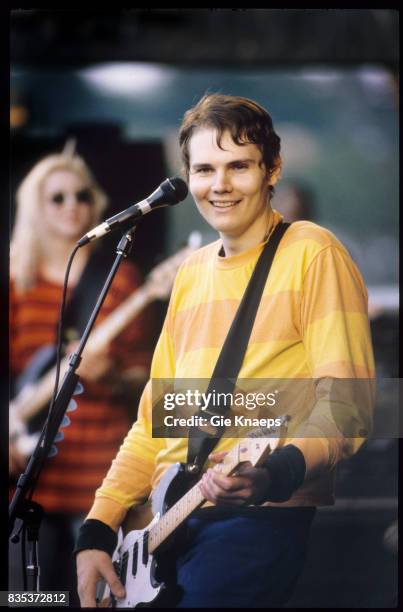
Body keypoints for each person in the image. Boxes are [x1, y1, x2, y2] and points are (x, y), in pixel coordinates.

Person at [75, 94, 375, 608]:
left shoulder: (312, 251)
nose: (220, 185)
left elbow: (348, 404)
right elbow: (156, 419)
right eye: (205, 169)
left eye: (239, 166)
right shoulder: (190, 272)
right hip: (162, 523)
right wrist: (99, 527)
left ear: (272, 169)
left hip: (256, 518)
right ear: (187, 176)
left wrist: (275, 473)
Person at [9, 148, 153, 605]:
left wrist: (112, 376)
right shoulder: (15, 283)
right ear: (35, 208)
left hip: (102, 472)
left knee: (92, 599)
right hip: (32, 474)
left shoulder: (122, 278)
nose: (72, 204)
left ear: (96, 202)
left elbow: (149, 376)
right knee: (31, 597)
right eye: (57, 197)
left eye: (82, 194)